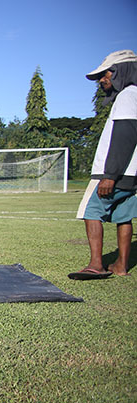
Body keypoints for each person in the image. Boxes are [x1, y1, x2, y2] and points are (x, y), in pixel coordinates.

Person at [69, 49, 137, 280]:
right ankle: (121, 265)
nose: (102, 79)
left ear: (121, 70)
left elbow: (125, 136)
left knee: (91, 211)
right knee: (123, 216)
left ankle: (96, 264)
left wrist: (110, 175)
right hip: (131, 174)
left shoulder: (128, 96)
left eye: (105, 73)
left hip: (113, 172)